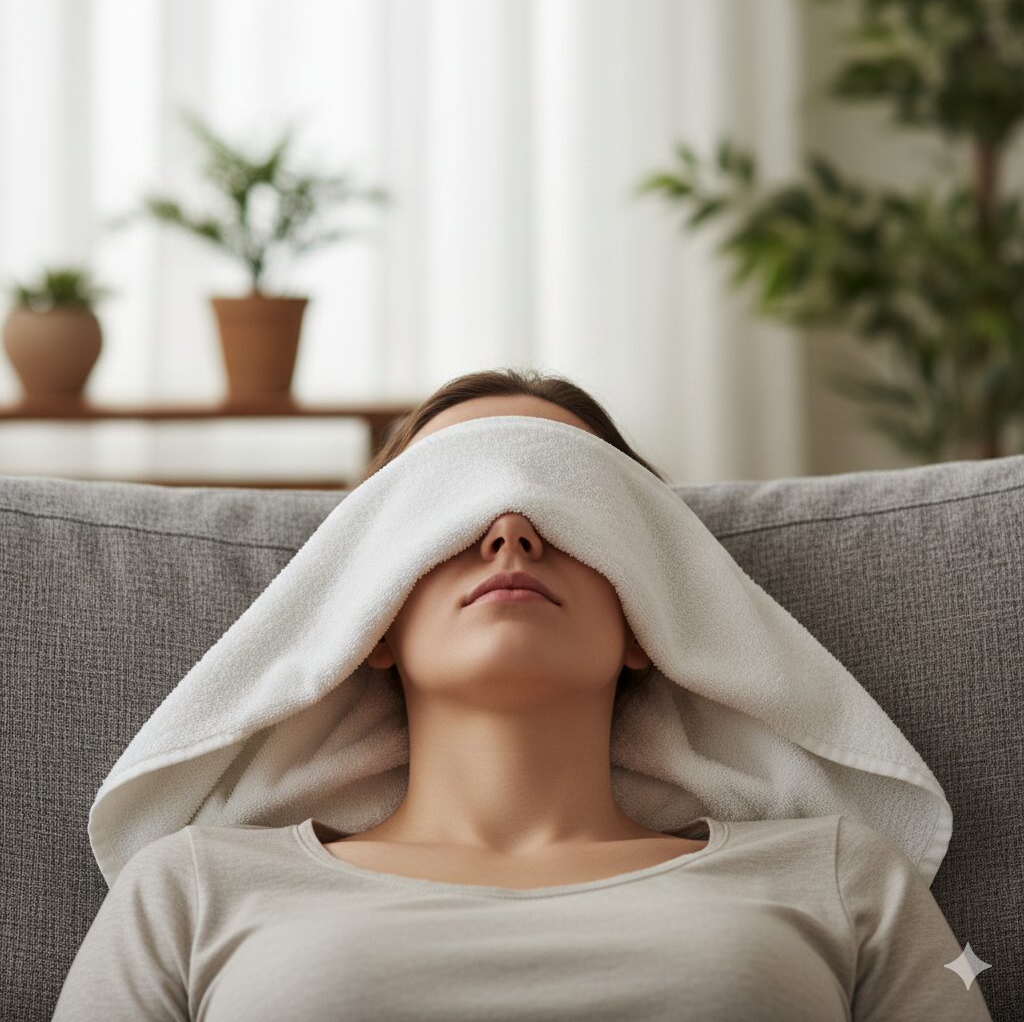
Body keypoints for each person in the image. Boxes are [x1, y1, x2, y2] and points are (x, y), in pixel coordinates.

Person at [52, 368, 994, 1021]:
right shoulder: (190, 887)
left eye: (567, 496)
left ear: (647, 610)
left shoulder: (841, 877)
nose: (509, 527)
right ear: (367, 610)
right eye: (449, 503)